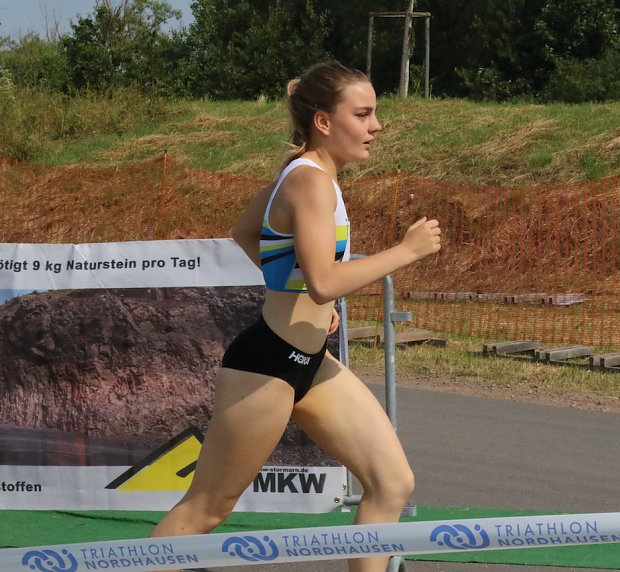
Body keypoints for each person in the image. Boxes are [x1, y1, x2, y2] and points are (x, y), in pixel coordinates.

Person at [149, 61, 442, 572]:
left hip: (311, 362)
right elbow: (325, 279)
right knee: (206, 510)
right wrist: (406, 251)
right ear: (324, 121)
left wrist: (307, 302)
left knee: (391, 483)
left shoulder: (305, 172)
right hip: (267, 365)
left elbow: (245, 232)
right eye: (364, 113)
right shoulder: (311, 181)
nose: (377, 126)